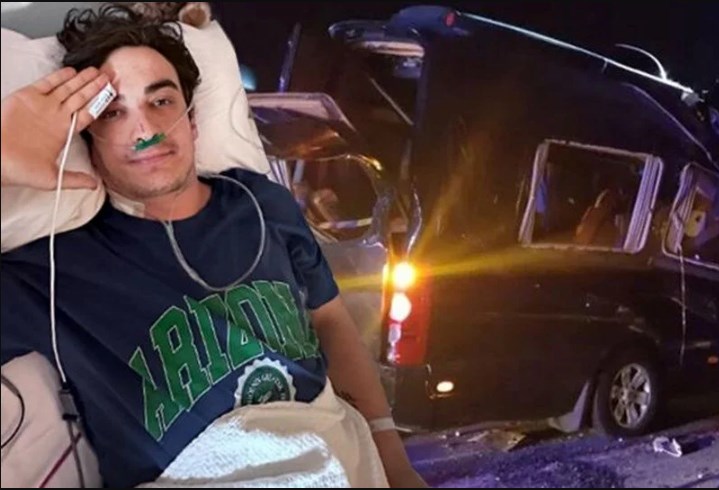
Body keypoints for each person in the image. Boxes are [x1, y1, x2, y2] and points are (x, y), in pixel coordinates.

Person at [0, 5, 424, 488]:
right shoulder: (59, 267)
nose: (146, 130)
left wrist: (395, 462)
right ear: (88, 140)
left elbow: (330, 319)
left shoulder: (262, 203)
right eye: (113, 112)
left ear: (193, 120)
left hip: (338, 453)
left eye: (161, 101)